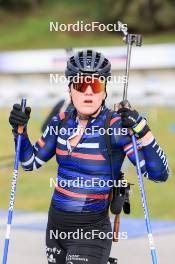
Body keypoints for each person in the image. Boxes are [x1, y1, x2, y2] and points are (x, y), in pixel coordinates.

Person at [9, 49, 169, 264]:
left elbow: (159, 174)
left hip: (91, 231)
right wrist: (19, 130)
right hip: (56, 228)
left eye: (95, 86)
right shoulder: (60, 121)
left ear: (104, 92)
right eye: (80, 85)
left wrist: (143, 130)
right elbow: (29, 162)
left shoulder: (116, 126)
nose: (88, 92)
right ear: (70, 90)